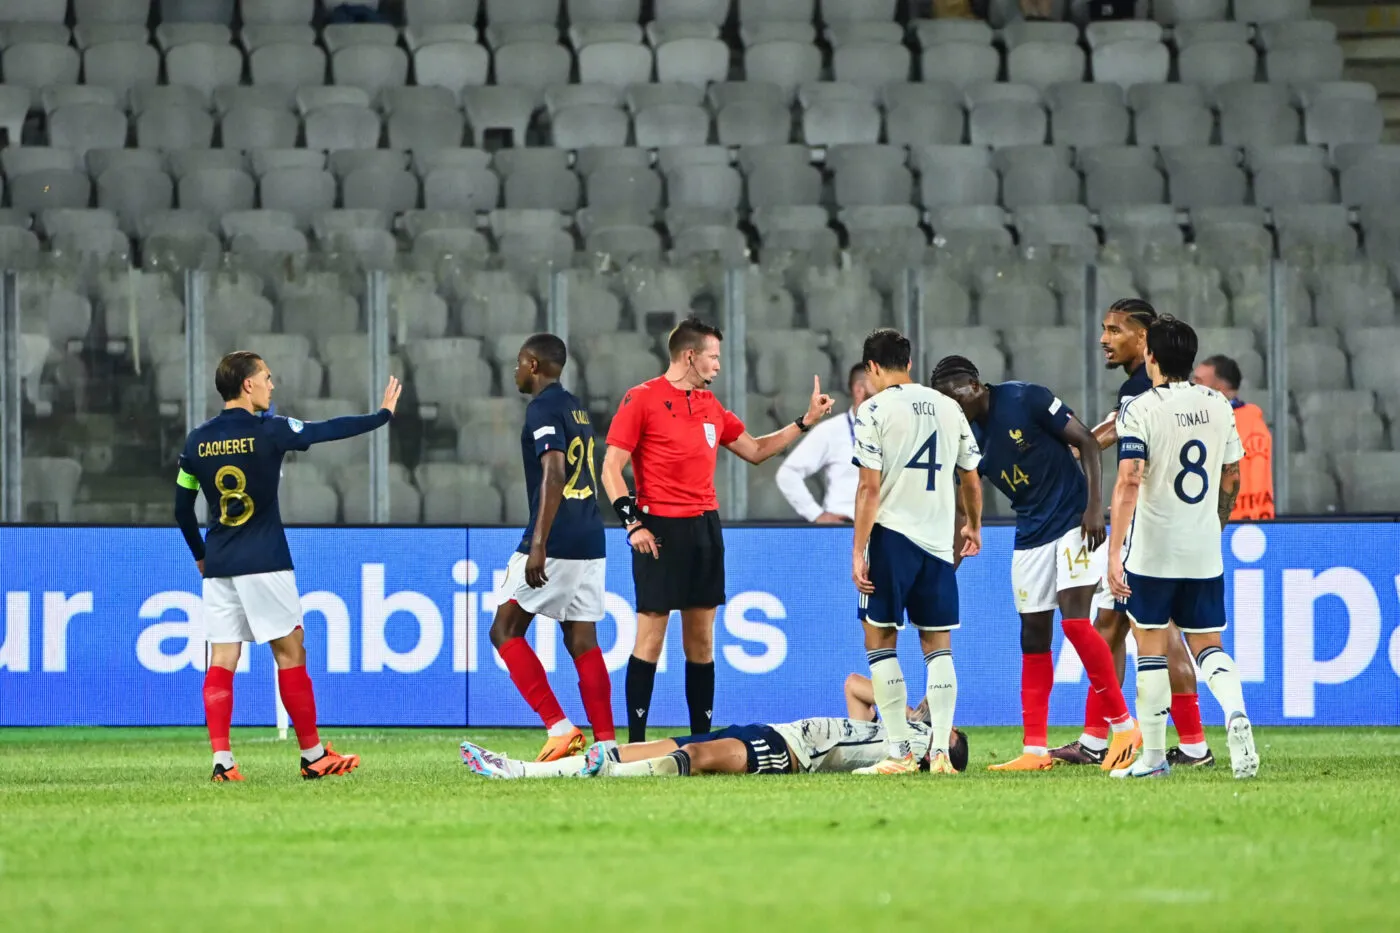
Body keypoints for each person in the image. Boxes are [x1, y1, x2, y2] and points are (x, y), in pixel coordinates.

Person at [600, 318, 833, 744]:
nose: (718, 366)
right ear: (690, 355)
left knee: (701, 644)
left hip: (705, 529)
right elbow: (610, 467)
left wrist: (805, 422)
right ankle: (634, 744)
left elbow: (757, 450)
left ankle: (702, 743)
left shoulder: (710, 406)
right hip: (659, 530)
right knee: (650, 639)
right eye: (714, 356)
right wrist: (632, 523)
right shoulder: (641, 398)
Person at [173, 351, 401, 782]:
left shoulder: (195, 442)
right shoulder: (270, 431)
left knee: (222, 657)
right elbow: (327, 430)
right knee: (290, 651)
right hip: (265, 560)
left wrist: (200, 555)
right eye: (266, 378)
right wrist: (381, 416)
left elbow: (182, 509)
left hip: (220, 564)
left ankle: (223, 762)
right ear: (247, 385)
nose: (271, 386)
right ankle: (313, 756)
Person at [930, 356, 1140, 773]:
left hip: (1073, 521)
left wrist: (1095, 508)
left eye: (955, 396)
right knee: (1033, 635)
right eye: (944, 401)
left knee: (1076, 622)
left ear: (975, 384)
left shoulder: (1025, 398)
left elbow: (1087, 442)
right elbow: (962, 509)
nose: (952, 406)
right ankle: (1035, 749)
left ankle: (1124, 727)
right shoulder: (964, 436)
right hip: (1030, 532)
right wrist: (942, 567)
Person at [1051, 298, 1212, 769]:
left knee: (1147, 633)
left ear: (1144, 340)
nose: (1104, 338)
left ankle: (1119, 739)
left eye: (1115, 330)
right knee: (1117, 627)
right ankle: (1109, 738)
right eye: (1104, 328)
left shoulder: (1145, 389)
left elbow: (1107, 440)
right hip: (1171, 530)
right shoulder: (1164, 390)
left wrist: (1062, 445)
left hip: (1145, 530)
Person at [1107, 316, 1259, 780]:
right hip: (1202, 548)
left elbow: (1130, 479)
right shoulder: (1218, 404)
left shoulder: (1141, 408)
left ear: (1149, 354)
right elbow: (1232, 475)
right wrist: (1215, 523)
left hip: (1153, 550)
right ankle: (1235, 713)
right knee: (1208, 646)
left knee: (1150, 649)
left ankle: (1152, 758)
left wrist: (1115, 554)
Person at [850, 328, 983, 776]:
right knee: (939, 647)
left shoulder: (872, 410)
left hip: (891, 537)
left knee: (880, 642)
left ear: (871, 368)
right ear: (908, 362)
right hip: (937, 542)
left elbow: (869, 487)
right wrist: (974, 526)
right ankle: (941, 754)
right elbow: (971, 476)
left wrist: (858, 549)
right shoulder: (949, 408)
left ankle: (900, 753)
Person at [489, 334, 616, 763]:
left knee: (504, 629)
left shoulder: (541, 408)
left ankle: (560, 728)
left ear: (533, 363)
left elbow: (555, 471)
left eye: (519, 363)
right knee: (582, 639)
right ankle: (607, 743)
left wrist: (538, 543)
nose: (516, 371)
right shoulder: (576, 405)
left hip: (557, 537)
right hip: (591, 536)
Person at [459, 675, 969, 780]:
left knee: (696, 759)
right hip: (773, 730)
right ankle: (522, 766)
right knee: (662, 744)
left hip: (789, 752)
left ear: (944, 745)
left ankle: (530, 776)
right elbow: (855, 685)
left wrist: (919, 716)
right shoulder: (893, 735)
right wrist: (905, 709)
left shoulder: (909, 752)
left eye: (949, 726)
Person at [776, 363, 873, 524]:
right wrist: (816, 514)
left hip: (884, 533)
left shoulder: (895, 430)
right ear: (859, 389)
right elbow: (787, 473)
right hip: (844, 531)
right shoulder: (832, 431)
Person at [1193, 354, 1275, 521]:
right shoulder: (1192, 421)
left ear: (1220, 389)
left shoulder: (1246, 426)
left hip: (1236, 525)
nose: (1192, 387)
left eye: (1199, 381)